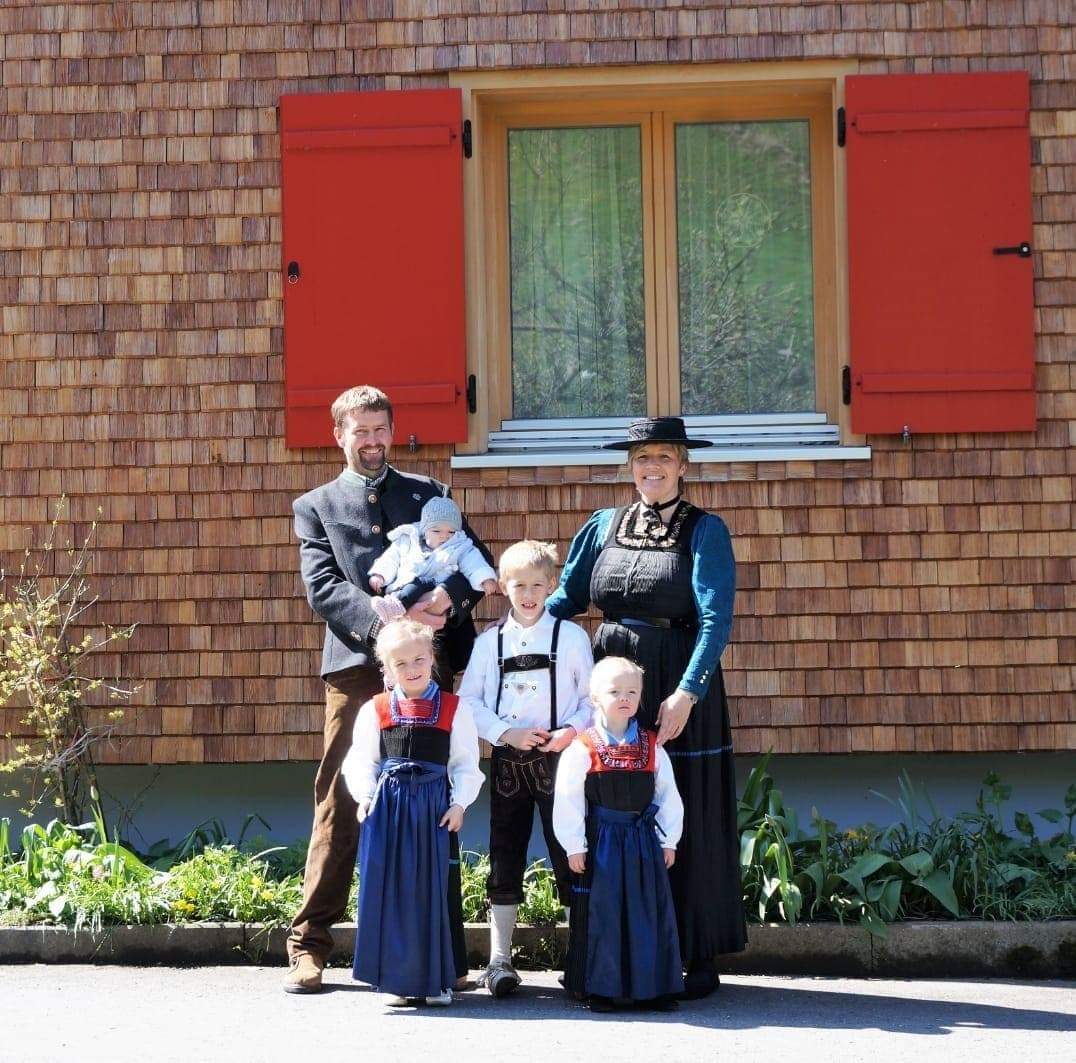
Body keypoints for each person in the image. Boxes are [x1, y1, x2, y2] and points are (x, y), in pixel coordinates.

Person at [284, 385, 491, 994]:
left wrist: (446, 600)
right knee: (340, 797)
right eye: (360, 431)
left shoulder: (430, 493)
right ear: (339, 436)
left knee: (436, 798)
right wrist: (389, 628)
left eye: (380, 430)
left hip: (430, 664)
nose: (372, 442)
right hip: (356, 666)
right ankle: (309, 944)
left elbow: (473, 560)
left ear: (392, 431)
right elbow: (324, 587)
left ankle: (445, 956)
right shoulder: (315, 506)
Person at [546, 416, 746, 999]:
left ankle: (695, 952)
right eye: (641, 458)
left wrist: (688, 691)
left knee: (683, 811)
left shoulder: (705, 531)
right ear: (630, 467)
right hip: (610, 685)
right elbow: (565, 600)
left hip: (675, 686)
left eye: (663, 456)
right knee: (607, 808)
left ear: (683, 464)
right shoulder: (602, 526)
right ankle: (603, 955)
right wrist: (512, 635)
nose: (651, 467)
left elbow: (715, 619)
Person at [457, 540, 594, 997]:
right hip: (508, 762)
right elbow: (469, 702)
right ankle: (499, 959)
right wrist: (505, 733)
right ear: (503, 587)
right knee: (505, 853)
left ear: (551, 584)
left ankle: (582, 956)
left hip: (561, 760)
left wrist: (569, 732)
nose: (529, 595)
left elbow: (590, 700)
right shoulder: (488, 643)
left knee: (569, 850)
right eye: (519, 586)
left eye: (537, 585)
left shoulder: (570, 638)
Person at [342, 620, 483, 1006]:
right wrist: (365, 797)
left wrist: (459, 803)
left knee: (434, 892)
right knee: (393, 891)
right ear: (387, 669)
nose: (412, 669)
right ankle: (395, 981)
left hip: (434, 811)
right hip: (390, 811)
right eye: (400, 663)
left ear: (432, 658)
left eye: (419, 659)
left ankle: (437, 982)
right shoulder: (376, 709)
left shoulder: (454, 709)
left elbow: (465, 764)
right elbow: (362, 760)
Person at [553, 656, 684, 1012]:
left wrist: (668, 839)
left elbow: (667, 795)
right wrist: (574, 845)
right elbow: (568, 798)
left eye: (632, 691)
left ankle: (653, 988)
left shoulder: (652, 745)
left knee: (646, 911)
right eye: (615, 691)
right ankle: (603, 988)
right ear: (595, 696)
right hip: (603, 842)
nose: (624, 698)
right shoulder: (583, 746)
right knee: (605, 913)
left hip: (642, 841)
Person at [368, 496, 499, 625]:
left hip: (434, 590)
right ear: (424, 530)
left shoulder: (459, 545)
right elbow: (391, 558)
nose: (444, 536)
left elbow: (473, 562)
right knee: (410, 588)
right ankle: (391, 607)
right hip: (403, 586)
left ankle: (395, 607)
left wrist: (485, 579)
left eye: (451, 532)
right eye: (436, 531)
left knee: (416, 586)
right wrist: (380, 575)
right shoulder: (408, 539)